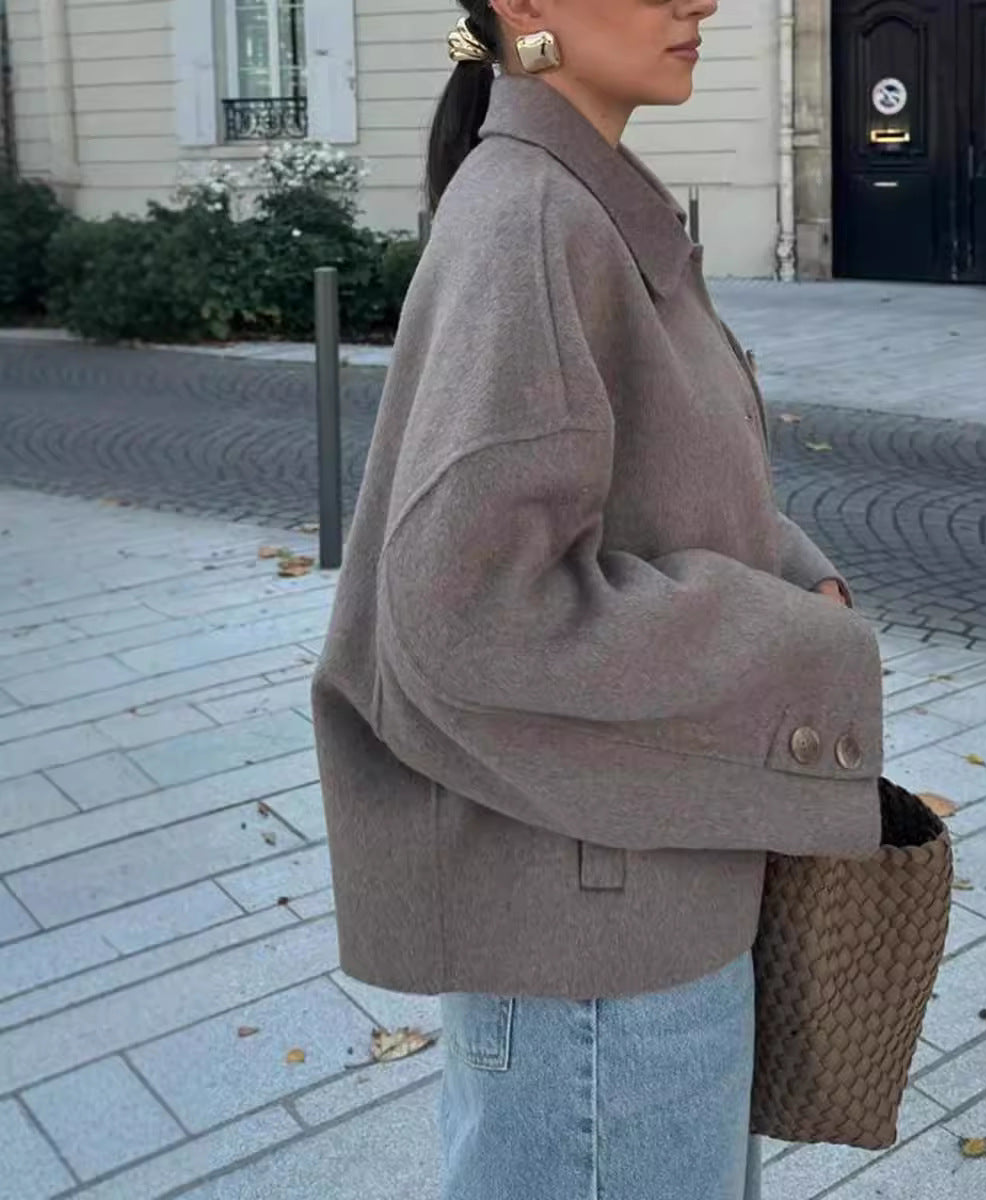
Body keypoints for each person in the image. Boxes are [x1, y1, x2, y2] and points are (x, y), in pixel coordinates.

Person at [309, 1, 885, 1196]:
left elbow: (654, 483)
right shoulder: (532, 217)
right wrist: (795, 645)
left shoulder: (581, 199)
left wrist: (792, 564)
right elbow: (469, 606)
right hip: (599, 957)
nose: (700, 2)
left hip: (634, 901)